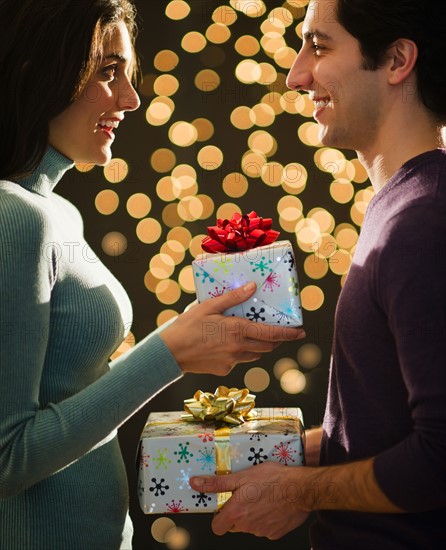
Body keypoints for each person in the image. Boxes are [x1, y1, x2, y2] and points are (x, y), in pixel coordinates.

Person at [0, 1, 305, 548]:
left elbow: (68, 390)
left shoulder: (55, 210)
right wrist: (170, 354)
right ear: (37, 67)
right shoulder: (13, 218)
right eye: (107, 71)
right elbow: (6, 458)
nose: (130, 99)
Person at [190, 0, 446, 547]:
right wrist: (278, 454)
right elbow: (384, 426)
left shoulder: (423, 222)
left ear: (398, 59)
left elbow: (440, 458)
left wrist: (297, 491)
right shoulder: (399, 208)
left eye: (320, 45)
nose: (296, 73)